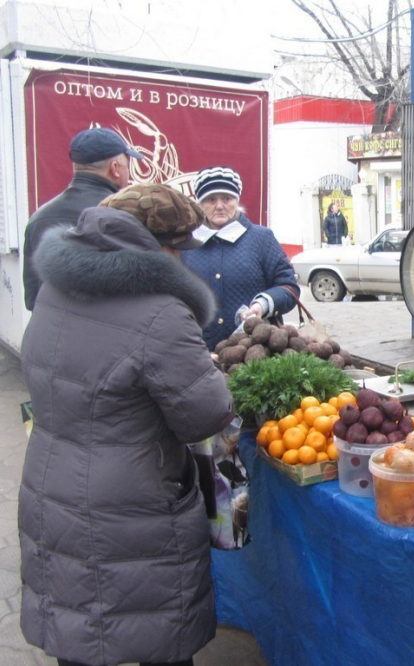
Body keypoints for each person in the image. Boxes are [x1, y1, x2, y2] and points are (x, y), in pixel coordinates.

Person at [19, 183, 235, 666]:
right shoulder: (161, 313)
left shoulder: (55, 290)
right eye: (177, 248)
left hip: (52, 488)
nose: (181, 261)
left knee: (78, 628)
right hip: (136, 507)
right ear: (152, 247)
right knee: (156, 634)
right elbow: (206, 414)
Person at [22, 126, 143, 310]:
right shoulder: (126, 216)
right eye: (128, 164)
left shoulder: (39, 217)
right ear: (115, 168)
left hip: (50, 332)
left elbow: (32, 299)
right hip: (109, 334)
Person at [182, 166, 300, 351]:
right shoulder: (187, 244)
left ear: (236, 200)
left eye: (227, 199)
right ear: (200, 203)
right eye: (211, 199)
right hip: (198, 353)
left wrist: (262, 305)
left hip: (254, 352)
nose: (219, 206)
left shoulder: (261, 238)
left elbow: (289, 288)